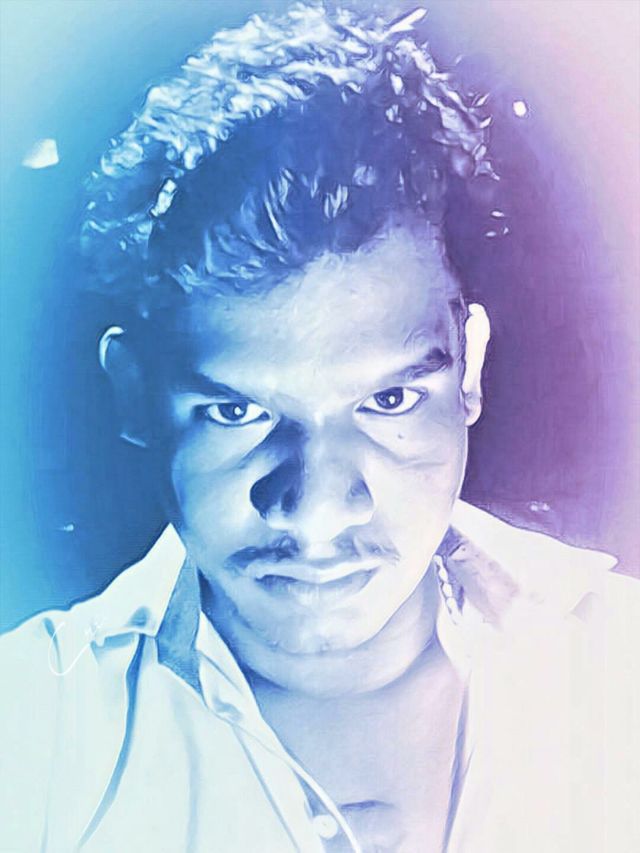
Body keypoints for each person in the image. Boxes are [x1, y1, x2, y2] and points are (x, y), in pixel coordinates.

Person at [1, 4, 638, 852]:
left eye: (389, 401)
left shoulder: (620, 673)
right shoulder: (31, 735)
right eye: (237, 412)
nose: (317, 509)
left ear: (469, 370)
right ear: (134, 397)